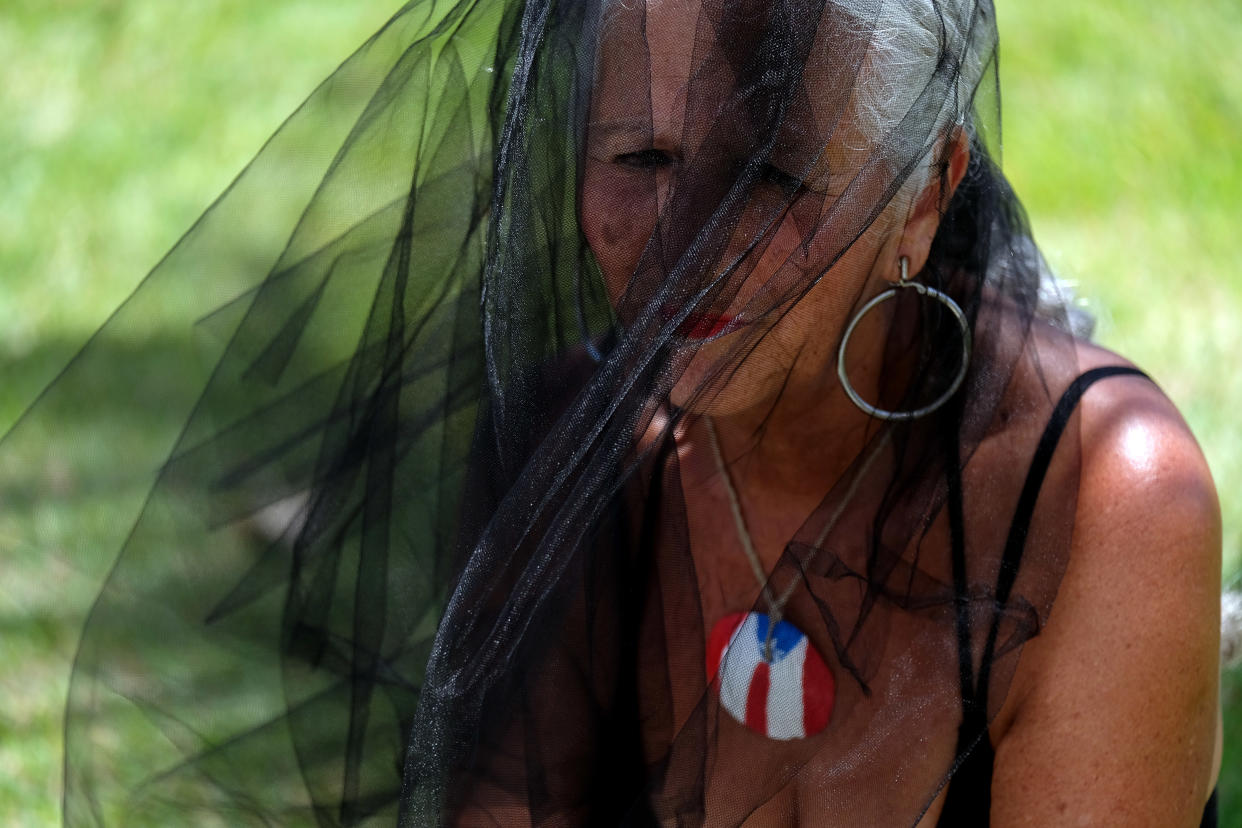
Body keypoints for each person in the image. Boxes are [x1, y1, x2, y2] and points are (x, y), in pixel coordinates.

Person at [6, 0, 1219, 825]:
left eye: (773, 180)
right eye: (640, 161)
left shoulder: (1104, 505)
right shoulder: (578, 447)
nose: (683, 247)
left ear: (923, 197)